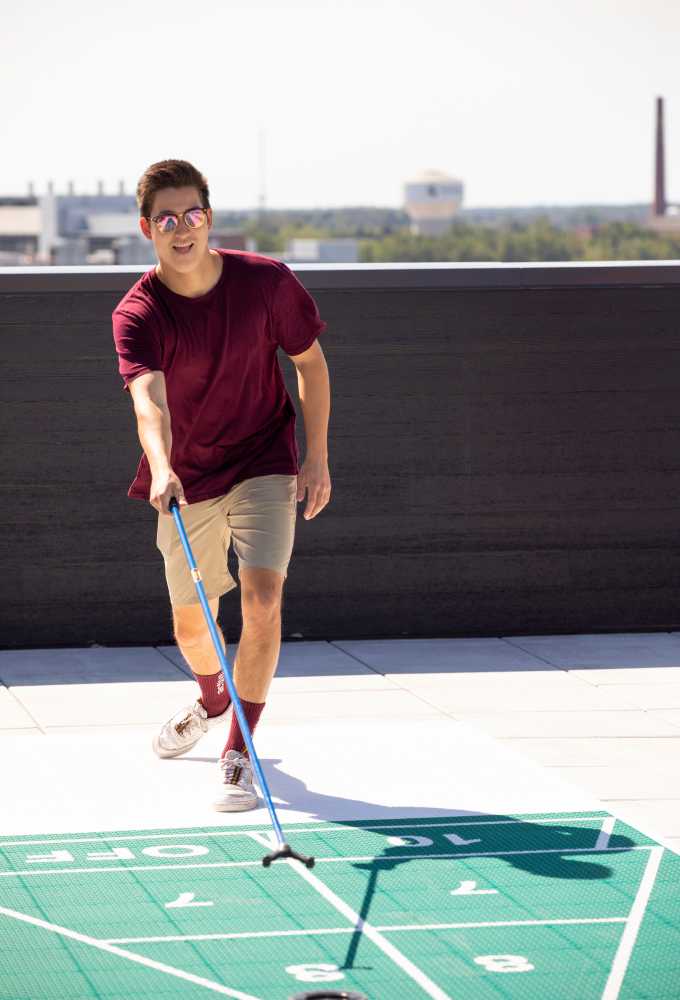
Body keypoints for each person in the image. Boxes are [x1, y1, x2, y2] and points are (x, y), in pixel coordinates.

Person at [111, 159, 331, 812]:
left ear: (210, 217)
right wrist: (164, 464)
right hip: (189, 476)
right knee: (190, 622)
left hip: (264, 457)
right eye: (168, 219)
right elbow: (149, 404)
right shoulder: (138, 312)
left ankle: (238, 747)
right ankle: (212, 698)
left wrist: (314, 457)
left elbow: (310, 367)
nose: (183, 230)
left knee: (263, 597)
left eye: (194, 215)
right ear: (147, 227)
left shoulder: (267, 284)